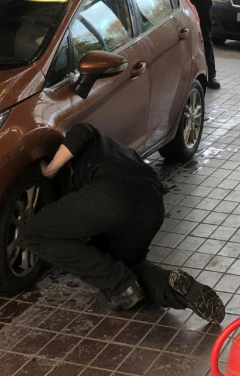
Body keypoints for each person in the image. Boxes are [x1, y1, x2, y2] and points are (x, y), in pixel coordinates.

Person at [25, 122, 225, 323]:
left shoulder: (91, 140)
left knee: (35, 233)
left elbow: (82, 130)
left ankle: (120, 286)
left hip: (114, 195)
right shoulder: (120, 152)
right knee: (128, 265)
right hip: (152, 205)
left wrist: (51, 169)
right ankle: (172, 287)